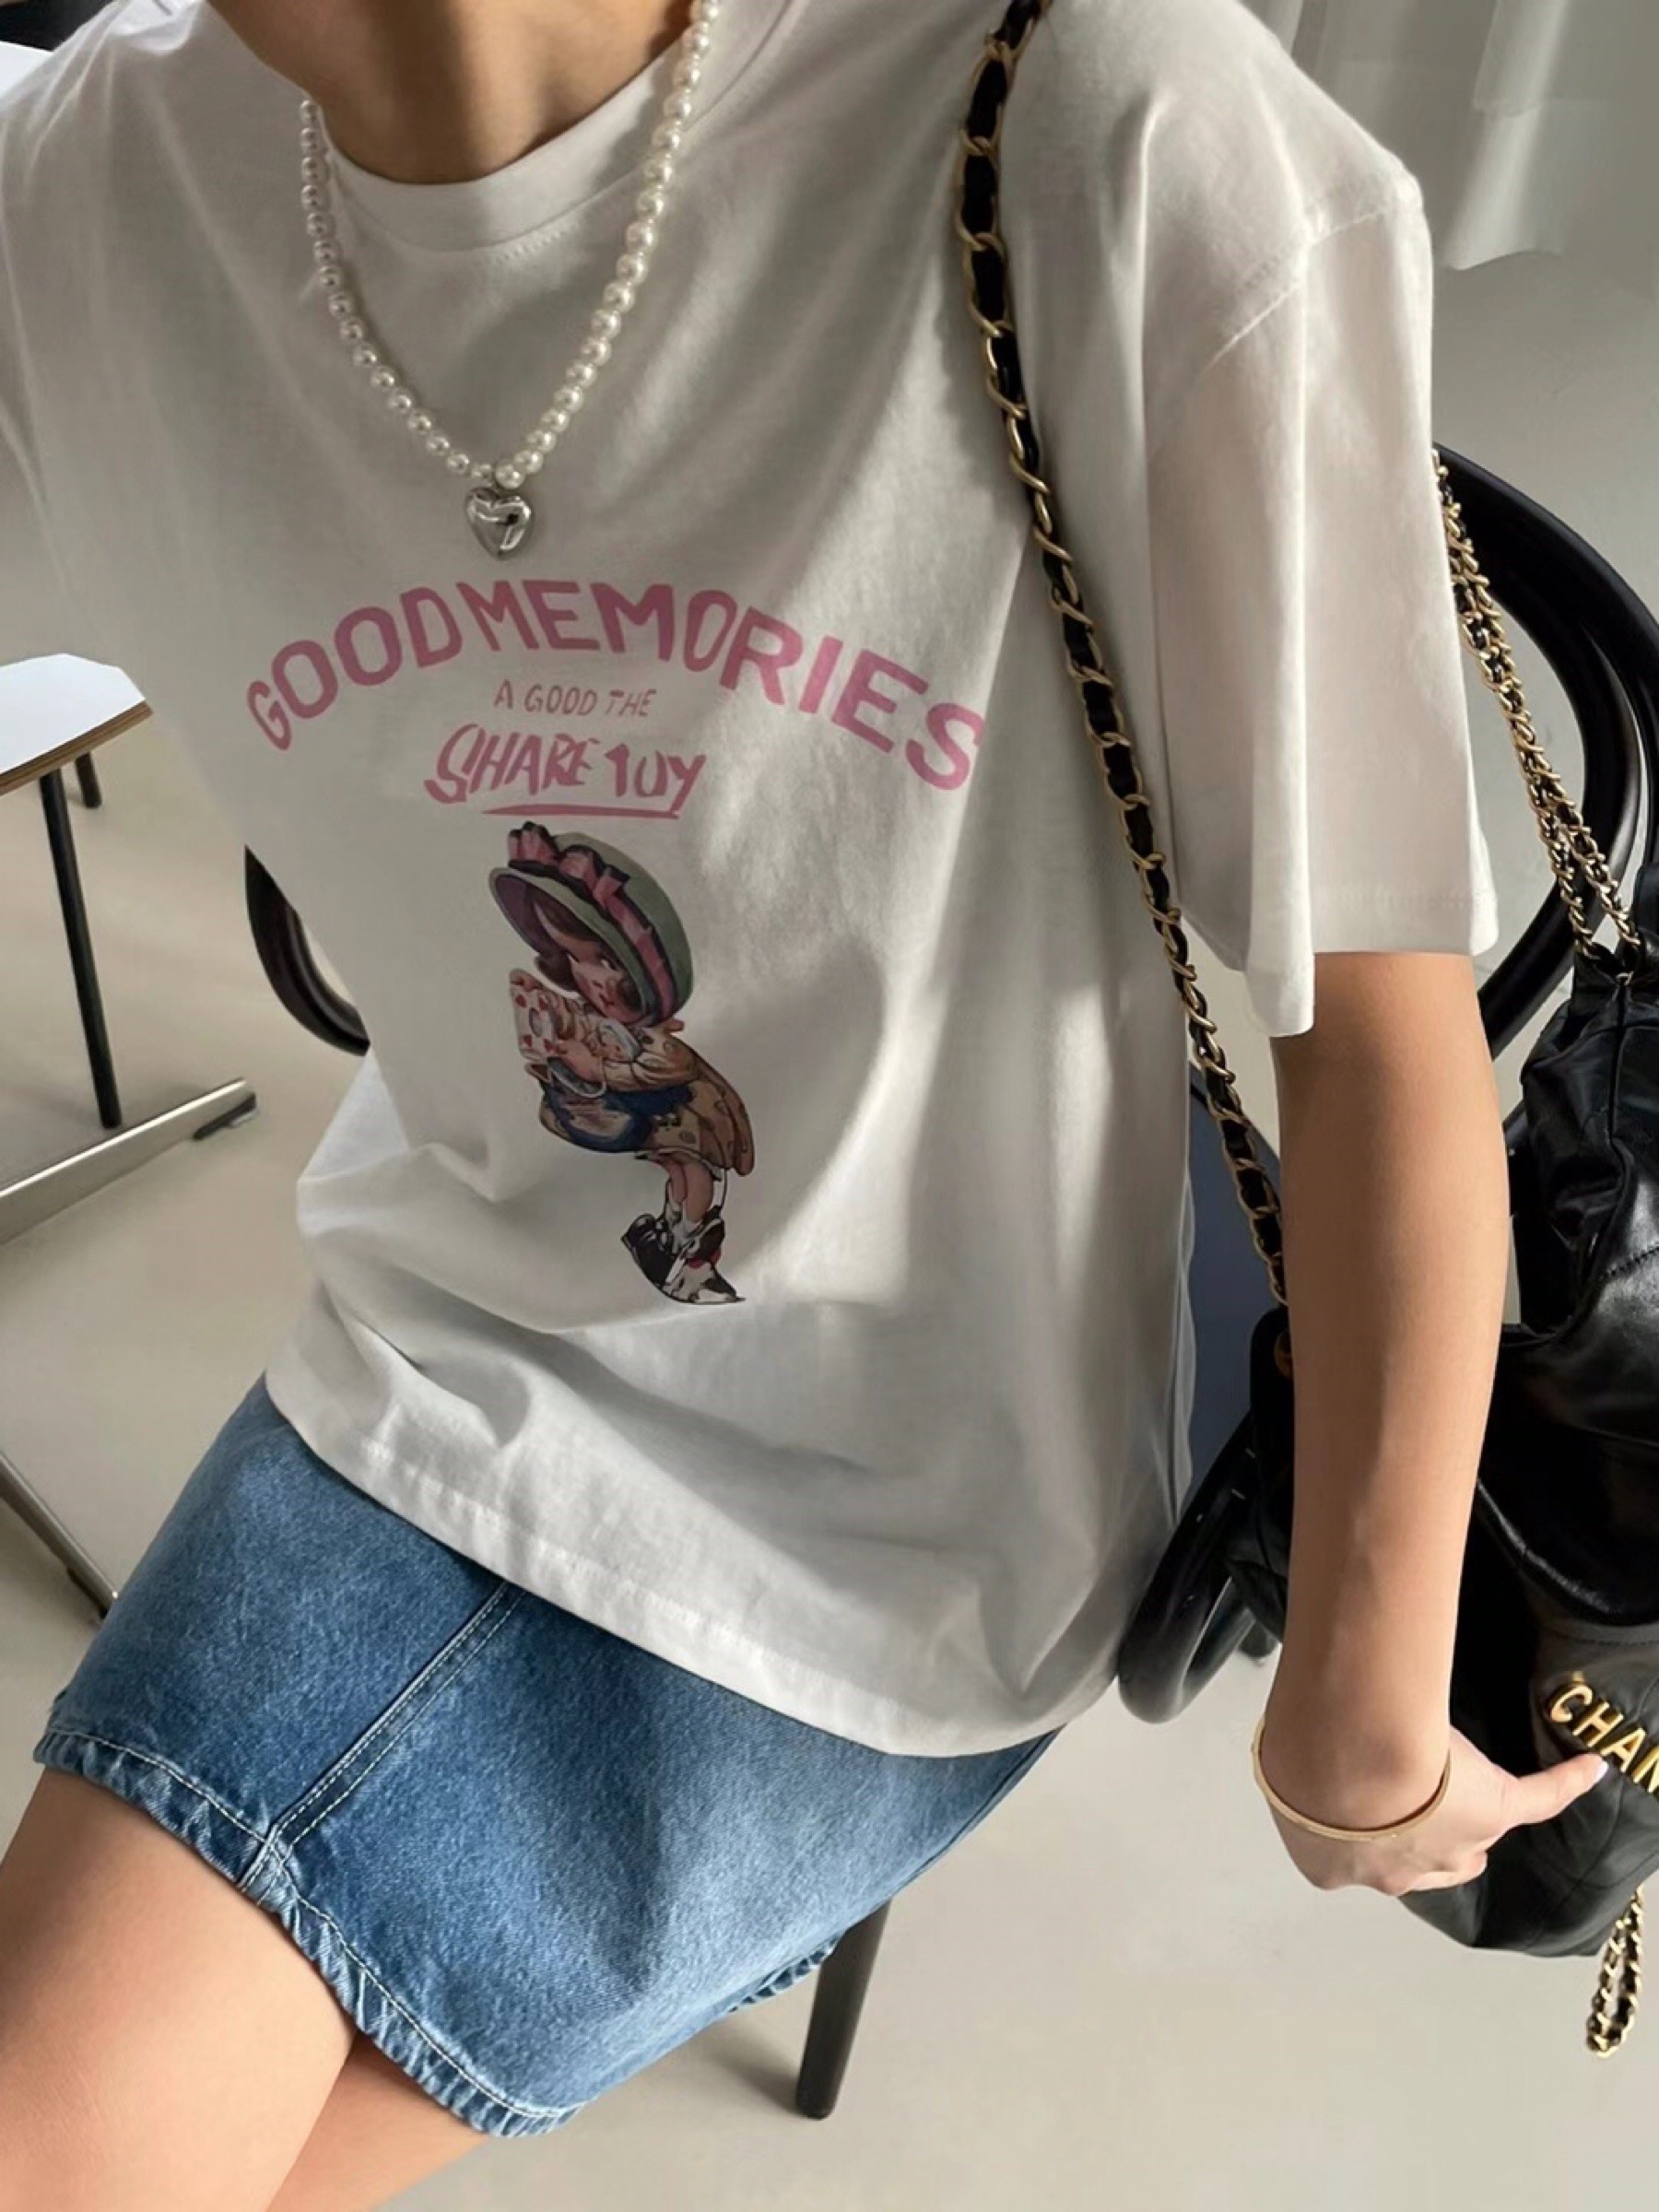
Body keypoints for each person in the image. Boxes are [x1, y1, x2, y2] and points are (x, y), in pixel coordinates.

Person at [0, 0, 1610, 2205]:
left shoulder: (1102, 120)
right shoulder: (90, 195)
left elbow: (1373, 1019)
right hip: (427, 1369)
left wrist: (1364, 1688)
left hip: (921, 1506)